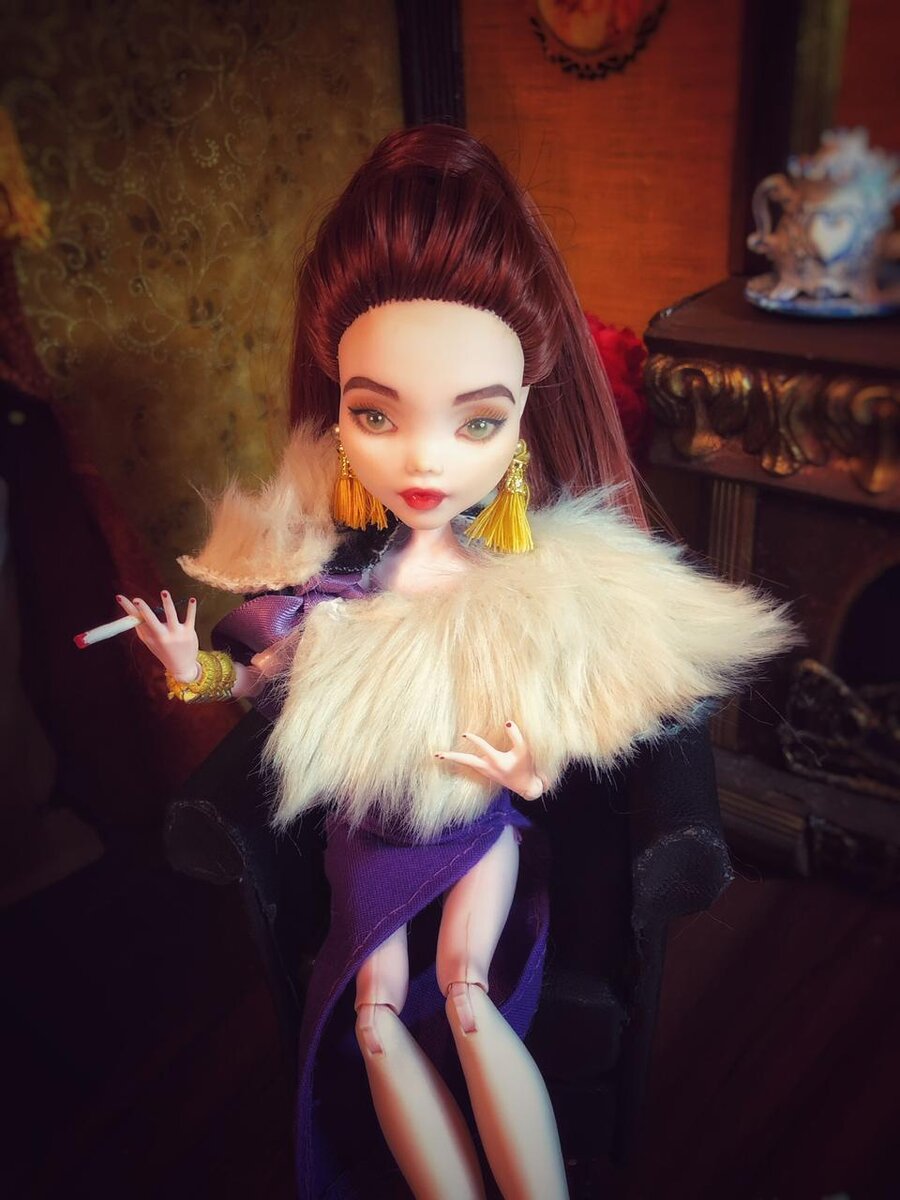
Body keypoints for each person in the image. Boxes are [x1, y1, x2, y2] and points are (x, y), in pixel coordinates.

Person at [116, 125, 798, 1199]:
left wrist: (529, 768)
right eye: (376, 414)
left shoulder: (525, 584)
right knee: (374, 1018)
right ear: (339, 419)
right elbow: (260, 686)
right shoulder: (335, 587)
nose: (424, 458)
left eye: (476, 422)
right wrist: (186, 665)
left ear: (520, 425)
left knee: (470, 998)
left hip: (479, 832)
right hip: (362, 840)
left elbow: (572, 721)